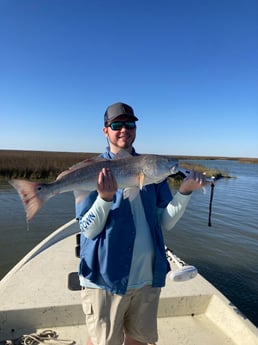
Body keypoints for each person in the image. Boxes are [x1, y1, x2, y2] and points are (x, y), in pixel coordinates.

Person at [75, 102, 206, 345]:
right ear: (106, 131)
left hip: (147, 277)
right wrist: (104, 198)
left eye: (130, 124)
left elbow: (165, 222)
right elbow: (88, 229)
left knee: (139, 340)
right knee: (102, 341)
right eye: (117, 125)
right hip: (106, 278)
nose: (124, 129)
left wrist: (185, 193)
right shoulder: (95, 170)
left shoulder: (154, 172)